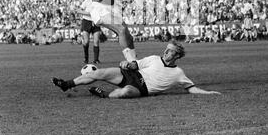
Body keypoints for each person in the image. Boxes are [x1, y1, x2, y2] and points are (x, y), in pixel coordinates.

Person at [52, 39, 221, 99]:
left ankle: (103, 94)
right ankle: (66, 84)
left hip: (141, 88)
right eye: (167, 48)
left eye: (170, 51)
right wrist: (126, 64)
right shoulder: (154, 58)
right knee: (98, 72)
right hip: (131, 74)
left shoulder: (178, 73)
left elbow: (192, 89)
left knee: (125, 93)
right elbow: (135, 65)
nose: (166, 51)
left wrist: (208, 93)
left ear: (177, 55)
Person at [76, 0, 102, 64]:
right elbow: (78, 10)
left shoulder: (100, 3)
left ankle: (96, 60)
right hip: (86, 21)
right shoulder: (87, 1)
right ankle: (86, 58)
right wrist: (89, 13)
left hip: (96, 21)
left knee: (96, 41)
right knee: (86, 41)